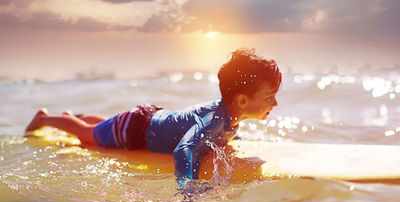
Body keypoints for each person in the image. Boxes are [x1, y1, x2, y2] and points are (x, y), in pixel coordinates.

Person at [25, 48, 282, 189]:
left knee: (103, 126)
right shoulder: (214, 120)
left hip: (147, 120)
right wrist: (188, 189)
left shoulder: (228, 117)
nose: (275, 103)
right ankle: (46, 118)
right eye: (269, 96)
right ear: (242, 101)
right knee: (88, 135)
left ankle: (77, 117)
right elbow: (184, 150)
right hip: (136, 129)